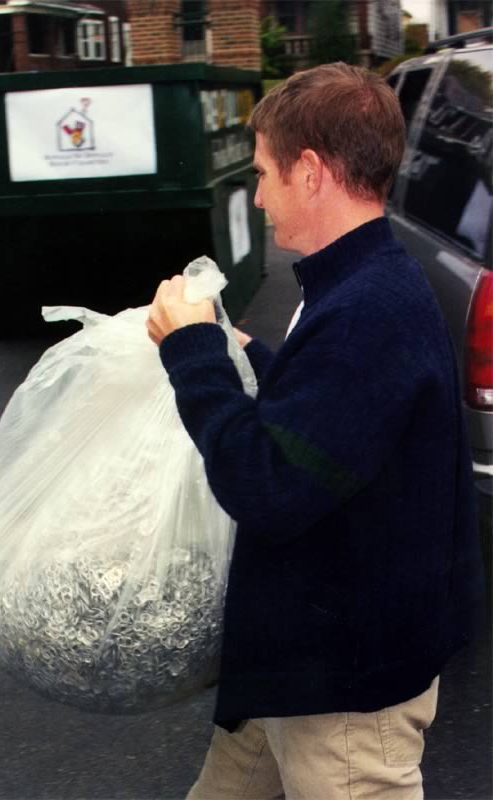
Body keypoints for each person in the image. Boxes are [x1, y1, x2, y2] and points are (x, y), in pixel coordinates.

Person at [146, 63, 484, 800]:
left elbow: (267, 483)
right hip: (297, 662)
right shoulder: (358, 285)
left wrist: (194, 355)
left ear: (311, 170)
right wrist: (240, 352)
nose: (258, 195)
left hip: (346, 698)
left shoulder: (369, 311)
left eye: (265, 173)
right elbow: (330, 422)